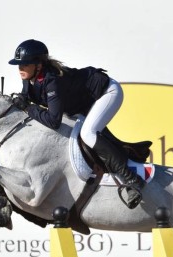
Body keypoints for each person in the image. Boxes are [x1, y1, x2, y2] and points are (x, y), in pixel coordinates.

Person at [9, 39, 145, 209]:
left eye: (25, 64)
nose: (20, 68)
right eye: (19, 64)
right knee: (91, 135)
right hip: (85, 104)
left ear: (38, 65)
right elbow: (27, 96)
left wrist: (28, 108)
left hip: (107, 92)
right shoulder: (29, 76)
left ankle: (132, 179)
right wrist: (23, 100)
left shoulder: (52, 81)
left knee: (88, 134)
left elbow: (53, 120)